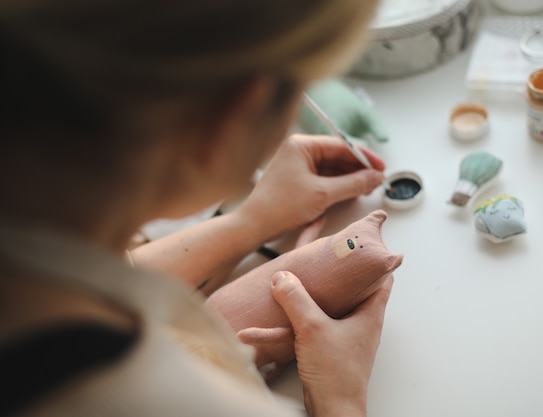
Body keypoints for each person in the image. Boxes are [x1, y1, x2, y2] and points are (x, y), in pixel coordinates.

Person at [0, 1, 394, 416]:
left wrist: (253, 220)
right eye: (303, 89)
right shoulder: (160, 400)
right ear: (234, 120)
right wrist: (340, 396)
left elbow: (101, 273)